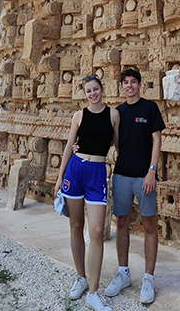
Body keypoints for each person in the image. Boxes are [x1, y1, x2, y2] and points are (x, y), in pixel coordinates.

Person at [56, 74, 120, 311]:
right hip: (75, 170)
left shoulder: (113, 115)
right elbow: (68, 147)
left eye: (96, 89)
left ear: (102, 90)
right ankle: (81, 277)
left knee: (95, 231)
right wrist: (60, 176)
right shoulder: (78, 115)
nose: (92, 94)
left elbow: (118, 144)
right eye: (88, 91)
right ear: (85, 94)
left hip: (96, 173)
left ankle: (94, 292)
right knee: (75, 225)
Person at [105, 67, 166, 304]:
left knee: (149, 223)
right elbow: (107, 138)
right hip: (121, 175)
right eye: (126, 83)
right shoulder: (117, 112)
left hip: (144, 176)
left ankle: (149, 277)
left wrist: (152, 171)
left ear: (140, 85)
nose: (129, 86)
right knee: (121, 222)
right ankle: (123, 273)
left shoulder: (149, 108)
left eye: (133, 82)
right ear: (121, 86)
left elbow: (157, 139)